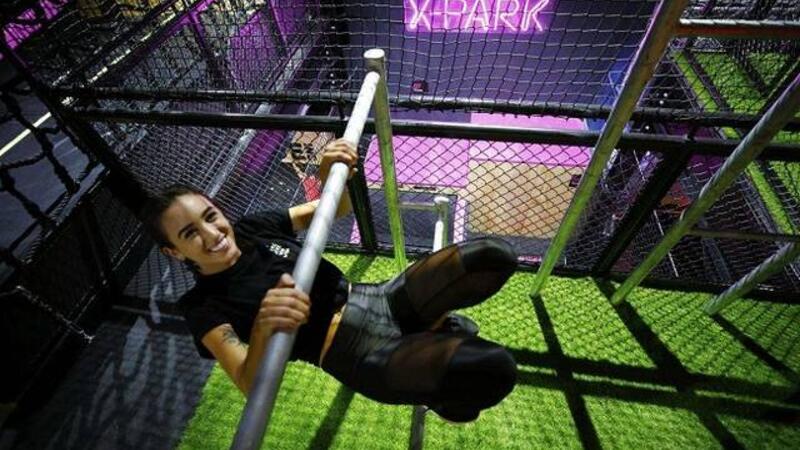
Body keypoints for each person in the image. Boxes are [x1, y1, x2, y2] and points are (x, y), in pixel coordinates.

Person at [140, 138, 518, 423]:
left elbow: (337, 206)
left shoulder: (252, 228)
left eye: (210, 216)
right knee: (495, 368)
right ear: (174, 252)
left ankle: (429, 335)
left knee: (492, 256)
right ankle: (440, 386)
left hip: (382, 298)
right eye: (190, 234)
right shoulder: (202, 305)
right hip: (356, 353)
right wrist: (263, 328)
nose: (212, 235)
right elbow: (247, 382)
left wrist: (326, 175)